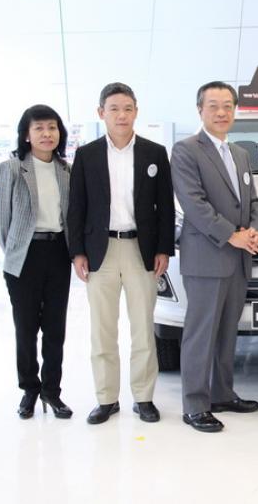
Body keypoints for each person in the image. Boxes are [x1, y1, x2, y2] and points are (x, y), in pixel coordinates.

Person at [68, 82, 175, 425]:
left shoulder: (154, 153)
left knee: (143, 328)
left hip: (141, 250)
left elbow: (165, 207)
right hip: (100, 251)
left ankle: (143, 398)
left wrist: (163, 248)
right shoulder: (87, 155)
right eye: (114, 108)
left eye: (128, 108)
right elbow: (76, 207)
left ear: (136, 112)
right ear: (101, 113)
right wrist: (77, 252)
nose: (121, 115)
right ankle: (106, 399)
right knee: (102, 330)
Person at [171, 81, 258, 433]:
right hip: (206, 257)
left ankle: (222, 394)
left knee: (226, 332)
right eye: (213, 106)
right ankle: (195, 405)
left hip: (237, 259)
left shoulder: (239, 153)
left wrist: (254, 229)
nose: (222, 112)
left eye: (228, 106)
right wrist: (232, 235)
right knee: (201, 333)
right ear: (200, 110)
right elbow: (193, 203)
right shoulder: (186, 150)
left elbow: (252, 201)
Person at [0, 104, 73, 419]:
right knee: (25, 328)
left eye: (52, 127)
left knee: (55, 328)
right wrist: (16, 248)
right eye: (38, 128)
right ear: (26, 135)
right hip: (24, 256)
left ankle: (52, 392)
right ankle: (29, 389)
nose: (46, 134)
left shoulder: (66, 170)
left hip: (58, 253)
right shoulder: (11, 169)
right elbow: (1, 220)